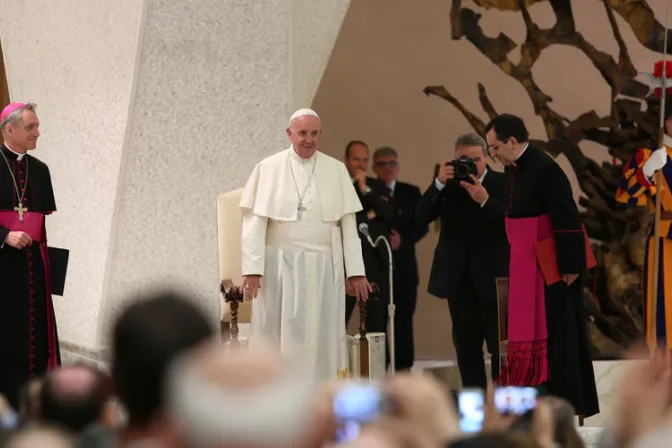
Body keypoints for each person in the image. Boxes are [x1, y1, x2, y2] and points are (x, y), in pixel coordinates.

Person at [239, 108, 370, 382]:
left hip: (323, 267)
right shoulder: (268, 167)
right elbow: (254, 224)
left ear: (319, 134)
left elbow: (348, 225)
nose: (308, 140)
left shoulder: (335, 169)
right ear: (290, 134)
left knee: (320, 336)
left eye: (313, 134)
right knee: (276, 335)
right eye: (302, 133)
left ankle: (319, 398)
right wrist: (252, 269)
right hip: (278, 268)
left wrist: (356, 272)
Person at [484, 113, 599, 417]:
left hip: (551, 270)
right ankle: (528, 408)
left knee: (557, 336)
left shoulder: (544, 167)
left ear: (511, 141)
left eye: (494, 147)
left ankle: (559, 409)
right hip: (526, 266)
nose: (493, 154)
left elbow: (567, 215)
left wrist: (571, 266)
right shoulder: (516, 169)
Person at [415, 132, 509, 389]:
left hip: (496, 284)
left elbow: (512, 225)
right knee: (467, 353)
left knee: (502, 354)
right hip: (459, 282)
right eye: (462, 160)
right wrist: (437, 184)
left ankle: (502, 416)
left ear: (486, 157)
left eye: (475, 160)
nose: (470, 166)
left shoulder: (503, 183)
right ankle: (474, 416)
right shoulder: (448, 186)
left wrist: (485, 200)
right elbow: (421, 217)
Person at [0, 102, 60, 410]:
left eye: (36, 126)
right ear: (10, 129)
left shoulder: (40, 170)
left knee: (36, 335)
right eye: (31, 127)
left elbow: (40, 223)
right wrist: (4, 235)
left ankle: (37, 402)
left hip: (33, 268)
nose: (37, 132)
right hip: (2, 267)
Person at [616, 96, 672, 353]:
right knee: (665, 313)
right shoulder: (648, 155)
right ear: (668, 122)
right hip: (665, 242)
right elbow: (627, 194)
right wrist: (648, 170)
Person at [372, 146, 428, 371]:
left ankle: (403, 371)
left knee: (403, 320)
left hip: (404, 267)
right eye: (382, 164)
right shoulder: (367, 191)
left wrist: (402, 240)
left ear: (398, 166)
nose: (388, 168)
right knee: (378, 321)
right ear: (374, 168)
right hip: (377, 267)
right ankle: (378, 368)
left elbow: (422, 224)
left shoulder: (410, 192)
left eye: (392, 163)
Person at [342, 140, 393, 339]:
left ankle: (376, 369)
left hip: (374, 260)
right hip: (345, 263)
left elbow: (388, 213)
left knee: (376, 323)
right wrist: (368, 215)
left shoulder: (376, 186)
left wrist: (365, 189)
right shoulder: (338, 185)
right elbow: (343, 218)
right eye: (356, 160)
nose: (361, 165)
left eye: (365, 160)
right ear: (346, 161)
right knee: (339, 318)